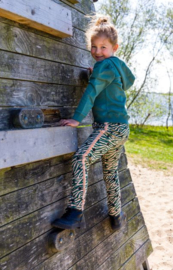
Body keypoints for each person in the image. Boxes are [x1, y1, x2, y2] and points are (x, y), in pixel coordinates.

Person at [52, 15, 135, 231]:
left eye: (103, 47)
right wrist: (97, 76)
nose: (98, 52)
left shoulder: (103, 66)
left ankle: (75, 211)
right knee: (110, 172)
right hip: (122, 128)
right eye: (94, 47)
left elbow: (91, 92)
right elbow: (130, 80)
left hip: (108, 127)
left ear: (114, 47)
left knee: (81, 159)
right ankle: (116, 215)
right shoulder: (116, 66)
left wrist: (76, 118)